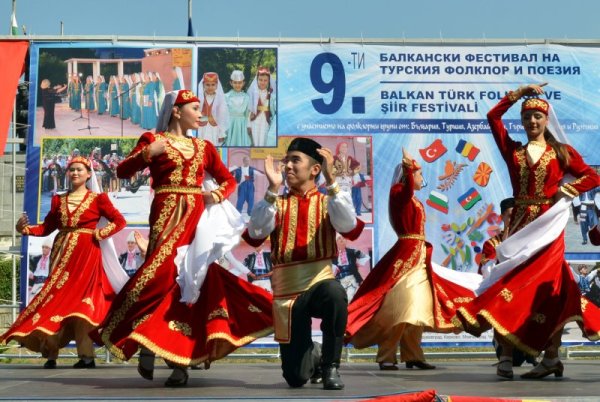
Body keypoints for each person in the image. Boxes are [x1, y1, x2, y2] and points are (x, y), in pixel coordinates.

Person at [95, 89, 273, 387]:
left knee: (191, 281)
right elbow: (124, 170)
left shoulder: (204, 147)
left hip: (198, 220)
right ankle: (141, 336)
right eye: (194, 107)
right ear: (176, 111)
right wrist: (147, 155)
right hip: (167, 215)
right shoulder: (153, 140)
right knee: (160, 277)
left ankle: (176, 361)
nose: (200, 111)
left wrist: (215, 194)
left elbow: (228, 180)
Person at [455, 83, 600, 379]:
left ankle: (551, 358)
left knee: (553, 290)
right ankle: (506, 356)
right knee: (510, 285)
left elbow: (592, 175)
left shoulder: (561, 151)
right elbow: (492, 118)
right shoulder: (514, 152)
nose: (532, 122)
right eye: (527, 117)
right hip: (521, 226)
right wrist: (519, 94)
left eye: (537, 116)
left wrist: (567, 189)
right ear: (521, 122)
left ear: (546, 120)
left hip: (548, 227)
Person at [243, 137, 365, 390]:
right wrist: (271, 189)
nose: (287, 166)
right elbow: (255, 233)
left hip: (319, 281)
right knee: (296, 378)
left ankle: (331, 365)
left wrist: (332, 182)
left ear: (315, 169)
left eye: (294, 160)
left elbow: (348, 226)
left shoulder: (327, 201)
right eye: (286, 160)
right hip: (287, 294)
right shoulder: (275, 203)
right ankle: (316, 354)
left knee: (335, 293)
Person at [1, 156, 126, 369]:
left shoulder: (98, 199)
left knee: (83, 304)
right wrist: (24, 230)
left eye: (79, 170)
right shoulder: (58, 200)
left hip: (87, 255)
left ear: (88, 174)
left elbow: (120, 221)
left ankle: (86, 356)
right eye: (71, 170)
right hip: (61, 256)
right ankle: (50, 350)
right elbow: (47, 227)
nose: (75, 173)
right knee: (56, 300)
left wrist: (100, 233)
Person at [345, 149, 443, 372]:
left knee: (416, 308)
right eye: (418, 175)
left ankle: (413, 355)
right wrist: (408, 167)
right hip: (406, 256)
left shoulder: (414, 199)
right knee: (400, 307)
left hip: (418, 255)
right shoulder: (398, 192)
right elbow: (407, 188)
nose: (421, 179)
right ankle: (387, 356)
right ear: (409, 176)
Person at [479, 197, 538, 369]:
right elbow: (488, 272)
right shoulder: (491, 244)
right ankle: (504, 352)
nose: (514, 219)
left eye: (517, 215)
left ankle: (533, 350)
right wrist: (505, 245)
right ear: (502, 217)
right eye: (511, 215)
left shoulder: (529, 242)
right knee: (513, 358)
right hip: (504, 295)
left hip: (523, 293)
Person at [332, 235, 369, 302]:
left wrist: (358, 264)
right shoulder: (333, 255)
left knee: (350, 297)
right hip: (340, 280)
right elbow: (332, 269)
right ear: (336, 242)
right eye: (339, 239)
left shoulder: (352, 251)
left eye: (343, 238)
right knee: (341, 299)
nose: (341, 240)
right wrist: (335, 268)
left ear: (346, 241)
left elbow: (365, 257)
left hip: (352, 278)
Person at [197, 72, 229, 146]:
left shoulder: (220, 99)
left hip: (214, 129)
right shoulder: (199, 97)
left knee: (213, 147)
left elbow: (222, 117)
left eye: (213, 85)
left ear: (217, 85)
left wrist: (221, 133)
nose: (210, 87)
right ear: (203, 85)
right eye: (207, 85)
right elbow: (196, 115)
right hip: (201, 129)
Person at [248, 67, 275, 146]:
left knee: (264, 141)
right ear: (257, 80)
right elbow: (249, 110)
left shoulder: (271, 94)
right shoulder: (253, 93)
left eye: (265, 80)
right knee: (255, 142)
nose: (262, 82)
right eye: (260, 80)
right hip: (255, 121)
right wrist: (248, 124)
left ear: (268, 81)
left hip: (265, 121)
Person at [224, 70, 251, 147]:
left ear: (243, 83)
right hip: (230, 123)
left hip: (242, 124)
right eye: (235, 82)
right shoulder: (226, 96)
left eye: (239, 83)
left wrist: (248, 125)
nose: (237, 85)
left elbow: (247, 114)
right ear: (231, 83)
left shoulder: (246, 97)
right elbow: (224, 113)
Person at [28, 236, 53, 302]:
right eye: (43, 247)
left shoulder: (52, 259)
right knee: (31, 300)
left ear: (50, 249)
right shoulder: (37, 258)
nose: (44, 249)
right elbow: (32, 269)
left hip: (46, 283)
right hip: (36, 281)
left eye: (46, 247)